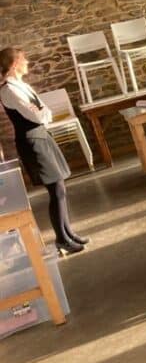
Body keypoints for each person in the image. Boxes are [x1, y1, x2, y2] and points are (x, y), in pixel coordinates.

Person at [0, 47, 88, 254]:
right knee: (55, 190)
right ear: (14, 64)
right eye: (24, 60)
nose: (27, 63)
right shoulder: (9, 90)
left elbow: (44, 110)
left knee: (60, 188)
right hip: (32, 142)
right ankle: (61, 239)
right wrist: (43, 114)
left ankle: (68, 233)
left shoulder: (22, 85)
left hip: (41, 136)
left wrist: (43, 114)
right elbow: (37, 115)